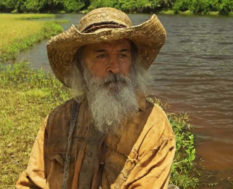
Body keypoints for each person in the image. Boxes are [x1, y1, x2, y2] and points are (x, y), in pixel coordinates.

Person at [16, 7, 176, 189]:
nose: (114, 68)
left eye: (123, 55)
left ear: (133, 61)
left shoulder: (153, 127)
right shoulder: (58, 120)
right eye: (101, 56)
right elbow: (31, 182)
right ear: (81, 65)